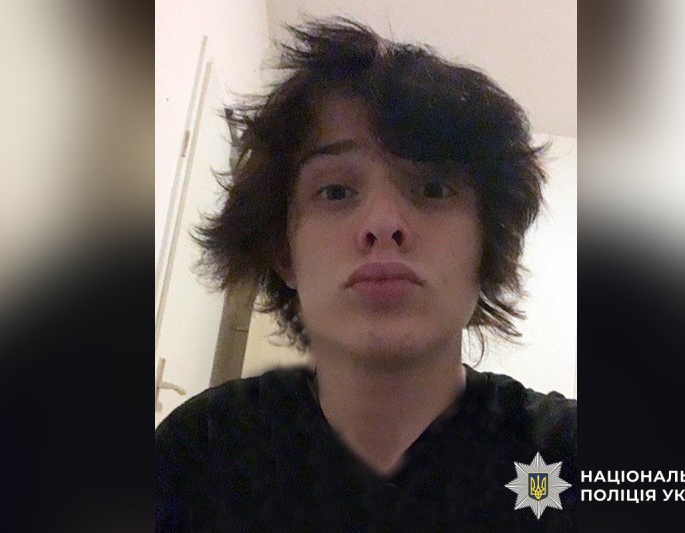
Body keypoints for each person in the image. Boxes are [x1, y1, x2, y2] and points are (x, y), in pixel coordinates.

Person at [156, 18, 576, 531]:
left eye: (433, 189)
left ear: (485, 246)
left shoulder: (572, 457)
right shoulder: (197, 453)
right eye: (335, 192)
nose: (383, 224)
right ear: (284, 254)